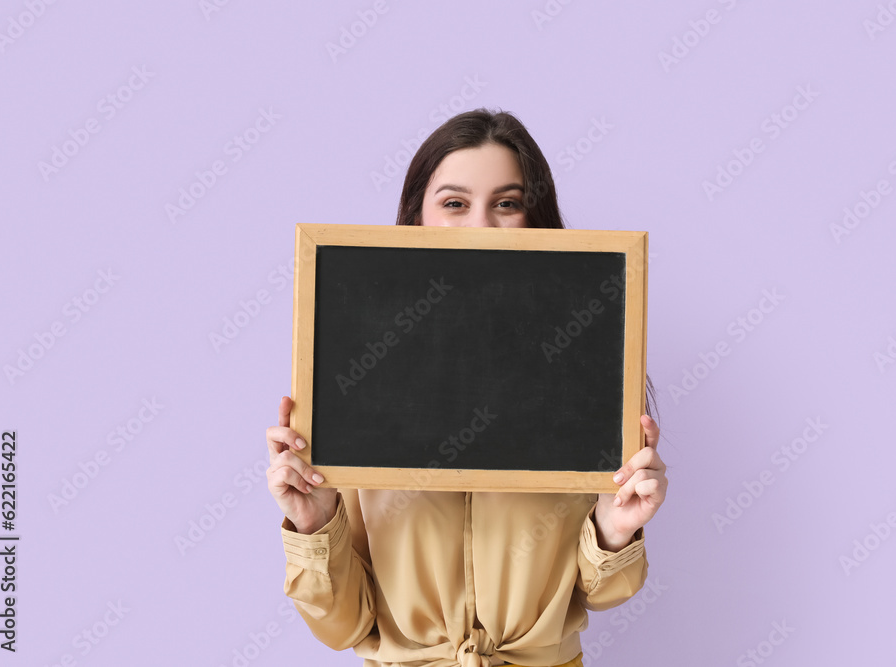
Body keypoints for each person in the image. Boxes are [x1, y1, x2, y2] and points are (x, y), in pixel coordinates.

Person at [266, 109, 668, 667]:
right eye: (454, 203)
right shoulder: (356, 369)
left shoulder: (584, 362)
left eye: (507, 203)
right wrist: (314, 522)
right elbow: (345, 626)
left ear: (535, 219)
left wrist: (614, 528)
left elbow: (599, 594)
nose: (480, 226)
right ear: (416, 218)